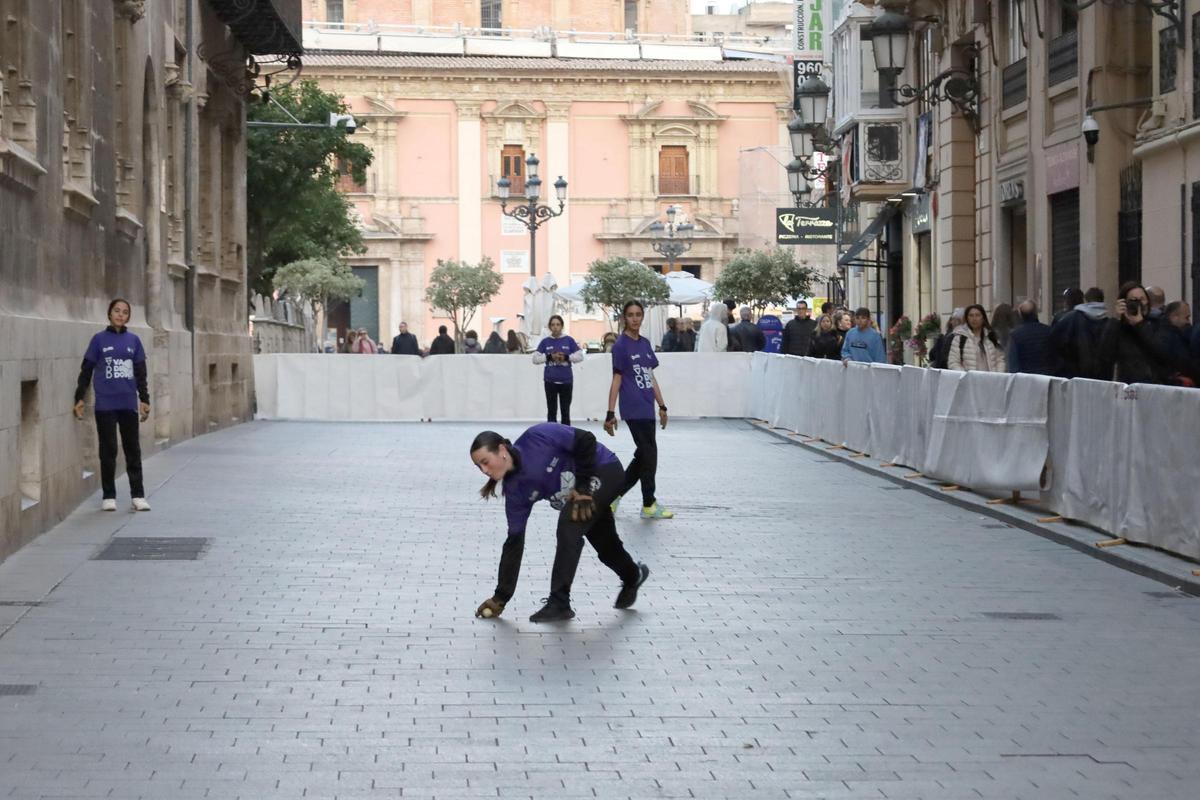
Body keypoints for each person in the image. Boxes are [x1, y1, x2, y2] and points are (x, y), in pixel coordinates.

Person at [470, 425, 650, 623]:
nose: (484, 470)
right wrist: (500, 598)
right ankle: (634, 575)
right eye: (479, 466)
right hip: (582, 495)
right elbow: (514, 543)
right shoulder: (515, 491)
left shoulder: (537, 437)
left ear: (502, 449)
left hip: (604, 469)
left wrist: (582, 488)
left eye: (485, 462)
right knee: (605, 545)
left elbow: (586, 439)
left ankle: (559, 602)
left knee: (568, 526)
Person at [73, 298, 152, 512]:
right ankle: (109, 495)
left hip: (128, 404)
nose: (120, 315)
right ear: (109, 313)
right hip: (105, 405)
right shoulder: (98, 340)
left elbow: (140, 373)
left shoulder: (134, 341)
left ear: (128, 316)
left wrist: (145, 399)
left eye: (125, 312)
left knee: (132, 449)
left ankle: (138, 495)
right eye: (116, 311)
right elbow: (86, 371)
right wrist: (78, 397)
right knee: (108, 451)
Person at [605, 300, 673, 519]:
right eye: (631, 315)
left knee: (643, 455)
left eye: (638, 314)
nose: (635, 318)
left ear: (642, 317)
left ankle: (614, 496)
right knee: (649, 454)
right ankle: (648, 504)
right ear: (624, 318)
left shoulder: (644, 343)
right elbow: (616, 379)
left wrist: (662, 406)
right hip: (632, 408)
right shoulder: (621, 346)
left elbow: (651, 377)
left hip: (647, 407)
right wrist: (610, 413)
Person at [1097, 281, 1169, 384]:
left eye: (1142, 299)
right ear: (1124, 303)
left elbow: (1162, 353)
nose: (1139, 304)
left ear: (1148, 302)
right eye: (1133, 300)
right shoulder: (1117, 327)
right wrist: (1116, 320)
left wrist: (1140, 324)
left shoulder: (1159, 323)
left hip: (1154, 387)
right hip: (1127, 389)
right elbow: (1104, 358)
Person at [1050, 287, 1110, 379]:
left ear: (1085, 300)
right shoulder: (1109, 323)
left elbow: (1054, 341)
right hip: (1102, 376)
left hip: (1075, 374)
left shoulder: (1070, 318)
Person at [534, 315, 583, 425]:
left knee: (565, 411)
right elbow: (535, 359)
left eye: (558, 324)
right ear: (550, 327)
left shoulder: (569, 340)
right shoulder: (545, 342)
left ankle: (566, 437)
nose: (555, 327)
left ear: (562, 326)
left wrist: (566, 357)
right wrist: (549, 357)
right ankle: (552, 436)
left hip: (566, 381)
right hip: (550, 381)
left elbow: (580, 356)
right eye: (553, 325)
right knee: (551, 411)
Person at [948, 304, 1006, 372]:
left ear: (983, 318)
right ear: (967, 318)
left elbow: (1000, 359)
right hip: (969, 380)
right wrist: (964, 376)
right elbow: (953, 362)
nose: (974, 319)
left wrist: (998, 374)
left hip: (991, 379)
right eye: (971, 315)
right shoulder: (960, 338)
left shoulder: (991, 336)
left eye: (977, 315)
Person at [1006, 300, 1056, 375]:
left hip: (1026, 380)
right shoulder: (1049, 331)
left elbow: (1013, 365)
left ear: (1020, 315)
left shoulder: (1015, 335)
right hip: (1047, 378)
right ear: (1036, 313)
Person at [1155, 301, 1196, 385]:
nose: (1188, 322)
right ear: (1174, 317)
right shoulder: (1167, 337)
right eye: (1186, 317)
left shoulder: (1176, 334)